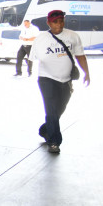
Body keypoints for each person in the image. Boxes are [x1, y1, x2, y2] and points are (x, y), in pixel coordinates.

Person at [29, 10, 90, 153]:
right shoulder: (41, 39)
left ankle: (46, 129)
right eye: (55, 22)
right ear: (48, 23)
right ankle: (54, 142)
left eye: (61, 21)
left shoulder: (72, 36)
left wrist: (87, 72)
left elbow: (80, 56)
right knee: (51, 110)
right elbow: (32, 58)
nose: (59, 24)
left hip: (66, 80)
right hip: (47, 79)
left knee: (58, 111)